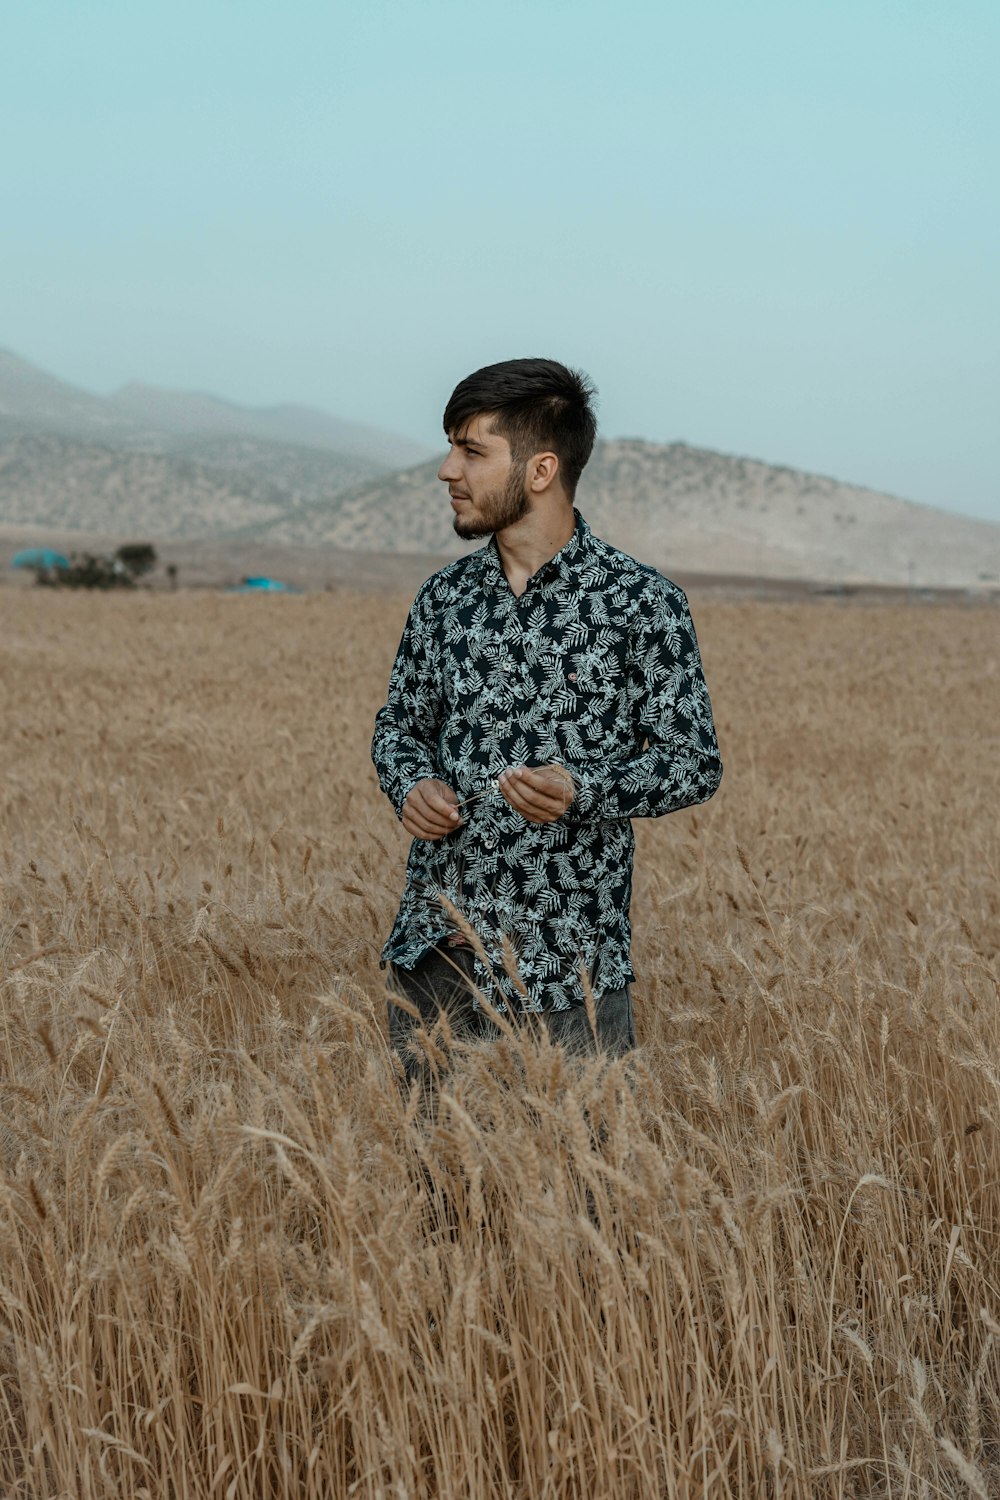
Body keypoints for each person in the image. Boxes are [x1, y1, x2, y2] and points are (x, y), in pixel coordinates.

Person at [371, 358, 722, 1083]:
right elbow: (398, 728)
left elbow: (693, 761)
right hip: (438, 956)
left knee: (577, 1190)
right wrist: (411, 784)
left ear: (539, 470)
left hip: (570, 969)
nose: (447, 470)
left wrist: (582, 790)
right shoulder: (442, 600)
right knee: (433, 1190)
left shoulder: (641, 603)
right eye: (451, 447)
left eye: (471, 451)